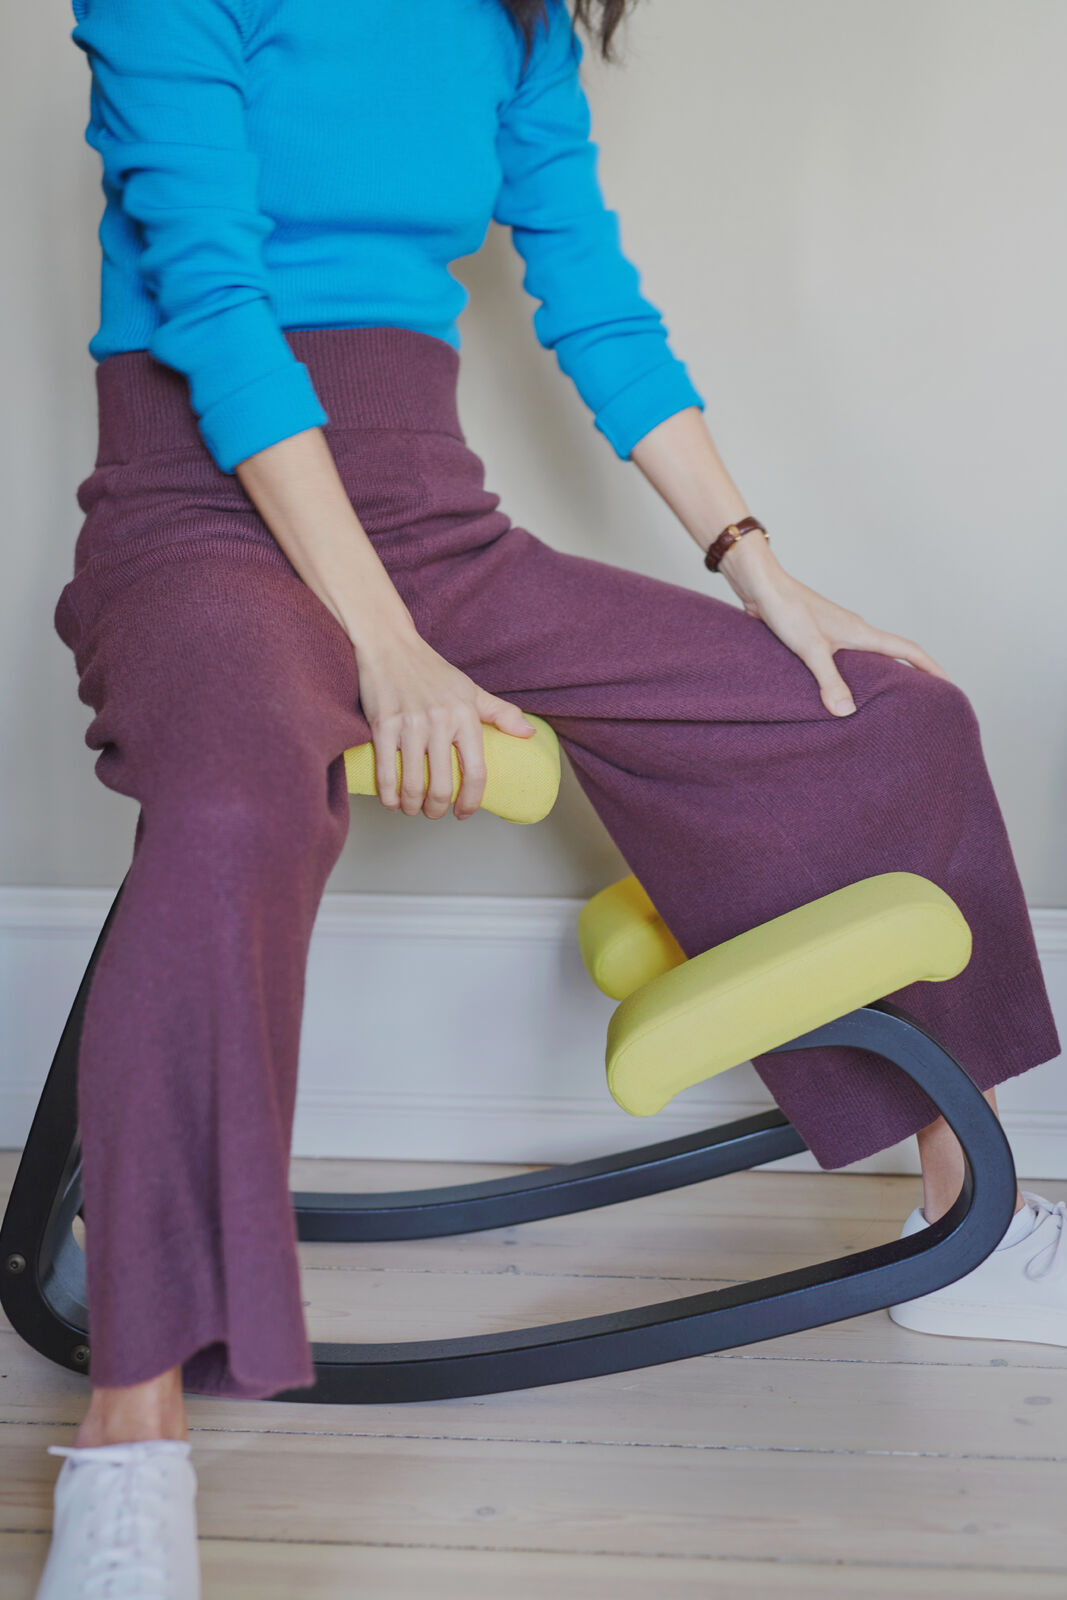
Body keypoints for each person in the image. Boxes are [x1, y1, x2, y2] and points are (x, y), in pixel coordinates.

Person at [35, 0, 1063, 1595]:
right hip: (199, 519)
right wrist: (384, 647)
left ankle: (960, 1208)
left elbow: (591, 295)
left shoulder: (511, 23)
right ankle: (133, 1431)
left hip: (433, 522)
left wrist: (766, 573)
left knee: (888, 711)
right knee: (236, 807)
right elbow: (214, 300)